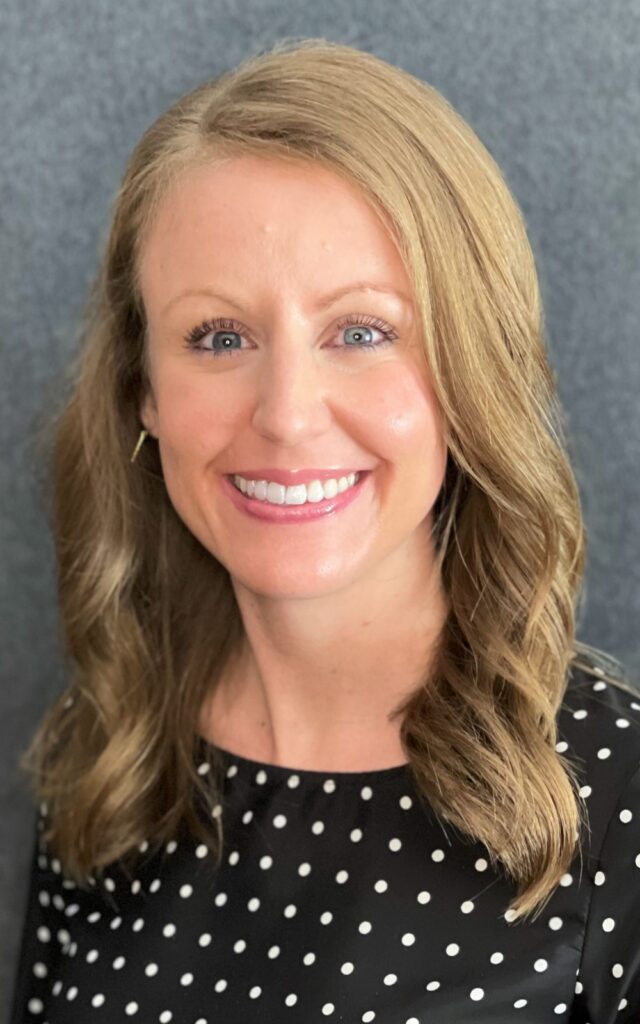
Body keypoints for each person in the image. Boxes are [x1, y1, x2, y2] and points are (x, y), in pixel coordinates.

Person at [9, 37, 640, 1024]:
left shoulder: (616, 799)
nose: (288, 415)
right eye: (220, 336)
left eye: (361, 331)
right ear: (144, 391)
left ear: (468, 370)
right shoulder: (106, 756)